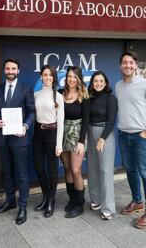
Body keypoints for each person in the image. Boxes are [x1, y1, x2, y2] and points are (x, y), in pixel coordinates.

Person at [115, 51, 146, 229]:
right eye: (124, 63)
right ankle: (137, 201)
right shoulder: (118, 85)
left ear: (136, 65)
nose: (128, 65)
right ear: (120, 66)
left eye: (131, 62)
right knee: (130, 171)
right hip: (123, 134)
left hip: (141, 136)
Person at [0, 58, 35, 225]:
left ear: (18, 71)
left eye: (13, 69)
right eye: (8, 68)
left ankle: (22, 206)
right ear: (4, 70)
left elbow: (32, 112)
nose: (10, 71)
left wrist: (25, 125)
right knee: (8, 173)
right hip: (3, 139)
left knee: (22, 175)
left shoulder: (26, 89)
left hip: (20, 138)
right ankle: (10, 201)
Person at [33, 65, 64, 218]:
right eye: (45, 75)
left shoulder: (58, 96)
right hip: (38, 133)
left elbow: (61, 122)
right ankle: (45, 197)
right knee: (39, 167)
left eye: (50, 75)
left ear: (54, 78)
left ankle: (51, 200)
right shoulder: (36, 94)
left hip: (52, 134)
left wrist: (59, 144)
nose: (47, 77)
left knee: (52, 170)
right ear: (41, 77)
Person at [87, 71, 117, 220]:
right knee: (92, 169)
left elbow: (112, 121)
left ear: (105, 83)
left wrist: (102, 138)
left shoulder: (110, 99)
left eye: (101, 81)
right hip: (90, 132)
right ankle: (96, 200)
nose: (98, 83)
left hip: (105, 134)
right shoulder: (89, 98)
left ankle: (108, 207)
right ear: (92, 83)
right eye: (95, 81)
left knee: (105, 171)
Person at [60, 66, 90, 218]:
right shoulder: (60, 93)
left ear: (78, 79)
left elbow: (86, 121)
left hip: (76, 135)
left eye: (74, 77)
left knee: (76, 170)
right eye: (69, 76)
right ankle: (72, 200)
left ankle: (79, 204)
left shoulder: (83, 95)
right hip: (62, 134)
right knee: (67, 169)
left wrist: (81, 142)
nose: (71, 79)